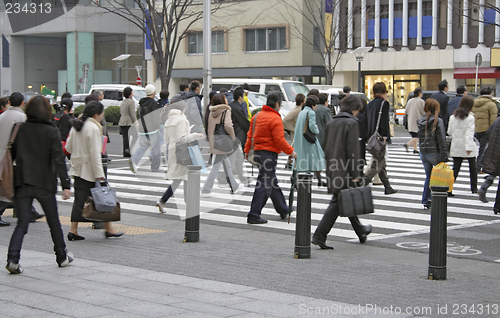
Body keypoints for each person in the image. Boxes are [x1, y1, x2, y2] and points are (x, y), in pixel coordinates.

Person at [7, 95, 73, 274]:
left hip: (22, 181)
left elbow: (11, 156)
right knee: (54, 223)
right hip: (44, 183)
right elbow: (59, 160)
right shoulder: (51, 131)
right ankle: (61, 256)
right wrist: (66, 185)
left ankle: (13, 259)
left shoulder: (19, 129)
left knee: (21, 224)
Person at [312, 95, 372, 249]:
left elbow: (325, 145)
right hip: (345, 169)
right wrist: (355, 174)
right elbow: (353, 150)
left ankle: (361, 231)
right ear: (354, 108)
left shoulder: (332, 123)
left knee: (344, 199)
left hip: (332, 167)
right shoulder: (351, 123)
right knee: (338, 202)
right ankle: (319, 235)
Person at [65, 101, 123, 240]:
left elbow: (68, 147)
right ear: (96, 114)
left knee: (79, 200)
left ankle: (74, 230)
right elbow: (95, 154)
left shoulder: (77, 125)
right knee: (103, 198)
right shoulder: (94, 128)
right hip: (89, 170)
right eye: (102, 113)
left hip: (78, 168)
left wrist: (79, 154)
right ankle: (108, 228)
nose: (103, 116)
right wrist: (100, 175)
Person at [244, 91, 297, 224]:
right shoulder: (275, 118)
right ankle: (254, 214)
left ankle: (283, 209)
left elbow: (250, 135)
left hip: (257, 153)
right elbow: (279, 140)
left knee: (271, 181)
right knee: (265, 184)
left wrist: (246, 150)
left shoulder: (257, 116)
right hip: (269, 154)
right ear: (277, 104)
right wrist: (291, 151)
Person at [0, 93, 44, 227]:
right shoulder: (23, 117)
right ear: (22, 103)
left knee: (10, 187)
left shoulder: (2, 116)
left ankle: (30, 211)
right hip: (14, 159)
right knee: (12, 188)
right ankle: (28, 212)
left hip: (2, 157)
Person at [156, 101, 203, 212]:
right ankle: (189, 206)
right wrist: (195, 135)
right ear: (182, 109)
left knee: (180, 177)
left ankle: (163, 200)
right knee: (186, 177)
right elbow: (182, 138)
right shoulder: (182, 120)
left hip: (173, 150)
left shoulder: (168, 120)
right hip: (183, 150)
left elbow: (167, 139)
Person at [201, 93, 244, 196]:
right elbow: (228, 125)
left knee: (227, 164)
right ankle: (206, 189)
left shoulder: (212, 111)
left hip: (215, 141)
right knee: (216, 166)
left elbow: (209, 126)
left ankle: (234, 186)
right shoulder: (226, 111)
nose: (227, 100)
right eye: (225, 98)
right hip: (224, 141)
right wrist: (233, 137)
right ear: (222, 100)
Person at [364, 82, 398, 195]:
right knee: (378, 162)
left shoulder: (369, 104)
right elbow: (384, 121)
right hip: (379, 137)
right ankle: (363, 183)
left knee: (380, 160)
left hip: (371, 136)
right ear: (384, 92)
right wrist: (385, 136)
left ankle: (387, 186)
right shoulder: (384, 104)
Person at [417, 98, 448, 209]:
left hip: (424, 152)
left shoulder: (420, 121)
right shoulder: (438, 121)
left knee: (429, 176)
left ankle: (426, 199)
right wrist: (444, 155)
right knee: (439, 177)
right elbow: (441, 140)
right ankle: (437, 199)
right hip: (435, 152)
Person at [447, 95, 478, 195]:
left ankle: (449, 189)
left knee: (455, 169)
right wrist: (469, 147)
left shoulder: (452, 117)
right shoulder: (470, 118)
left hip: (456, 145)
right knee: (473, 168)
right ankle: (474, 188)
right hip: (467, 145)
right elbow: (469, 134)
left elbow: (450, 132)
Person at [293, 95, 326, 186]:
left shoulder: (302, 112)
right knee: (317, 158)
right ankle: (319, 180)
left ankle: (296, 181)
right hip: (309, 139)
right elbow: (312, 126)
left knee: (301, 159)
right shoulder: (311, 112)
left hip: (300, 139)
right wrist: (317, 129)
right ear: (314, 105)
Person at [129, 84, 162, 173]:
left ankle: (134, 160)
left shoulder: (141, 103)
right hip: (152, 130)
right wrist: (158, 127)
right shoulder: (153, 103)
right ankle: (155, 167)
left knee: (143, 147)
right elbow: (155, 117)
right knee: (156, 149)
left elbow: (138, 115)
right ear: (153, 92)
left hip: (142, 130)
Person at [478, 116, 500, 214]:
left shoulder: (498, 120)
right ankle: (497, 206)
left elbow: (488, 133)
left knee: (494, 172)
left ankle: (497, 206)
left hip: (494, 150)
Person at [228, 86, 250, 184]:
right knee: (234, 160)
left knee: (237, 158)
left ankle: (241, 178)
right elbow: (243, 122)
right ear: (240, 97)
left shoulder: (232, 105)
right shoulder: (237, 108)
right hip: (237, 135)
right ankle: (228, 179)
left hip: (233, 135)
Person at [472, 86, 497, 172]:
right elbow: (493, 119)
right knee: (484, 150)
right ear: (490, 94)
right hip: (486, 129)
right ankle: (478, 167)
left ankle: (477, 166)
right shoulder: (491, 104)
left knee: (481, 149)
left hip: (476, 128)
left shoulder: (474, 103)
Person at [282, 93, 305, 170]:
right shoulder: (299, 109)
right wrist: (293, 128)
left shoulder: (297, 109)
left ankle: (290, 162)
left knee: (294, 147)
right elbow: (285, 121)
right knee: (295, 147)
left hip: (294, 130)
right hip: (295, 131)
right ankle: (292, 163)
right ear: (302, 102)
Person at [404, 87, 425, 154]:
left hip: (410, 120)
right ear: (419, 93)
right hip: (418, 120)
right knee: (418, 135)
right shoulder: (421, 101)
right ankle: (408, 144)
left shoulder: (410, 101)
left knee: (414, 135)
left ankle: (415, 149)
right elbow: (423, 111)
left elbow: (406, 111)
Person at [118, 86, 137, 157]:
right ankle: (130, 149)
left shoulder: (123, 102)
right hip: (128, 122)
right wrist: (135, 122)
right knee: (136, 135)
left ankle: (125, 151)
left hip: (122, 121)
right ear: (130, 94)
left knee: (125, 137)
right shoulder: (131, 102)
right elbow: (132, 113)